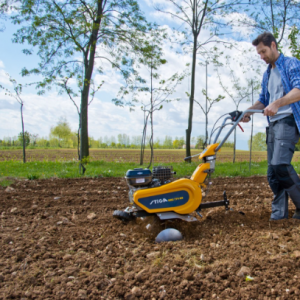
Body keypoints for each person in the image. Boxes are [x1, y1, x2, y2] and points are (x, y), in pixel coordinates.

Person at [242, 31, 300, 220]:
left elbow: (298, 91)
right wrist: (247, 112)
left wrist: (277, 103)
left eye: (263, 51)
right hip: (273, 125)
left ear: (273, 45)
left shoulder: (291, 64)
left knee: (280, 165)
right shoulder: (267, 74)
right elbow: (263, 101)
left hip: (288, 120)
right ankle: (279, 213)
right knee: (272, 172)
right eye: (259, 53)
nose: (261, 56)